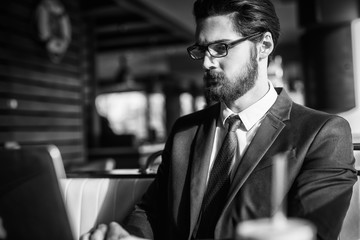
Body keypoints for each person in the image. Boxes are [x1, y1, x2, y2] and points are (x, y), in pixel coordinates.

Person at [83, 0, 357, 239]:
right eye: (202, 50)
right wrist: (130, 237)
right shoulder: (185, 131)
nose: (206, 63)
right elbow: (152, 210)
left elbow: (312, 234)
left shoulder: (322, 133)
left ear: (264, 45)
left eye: (221, 48)